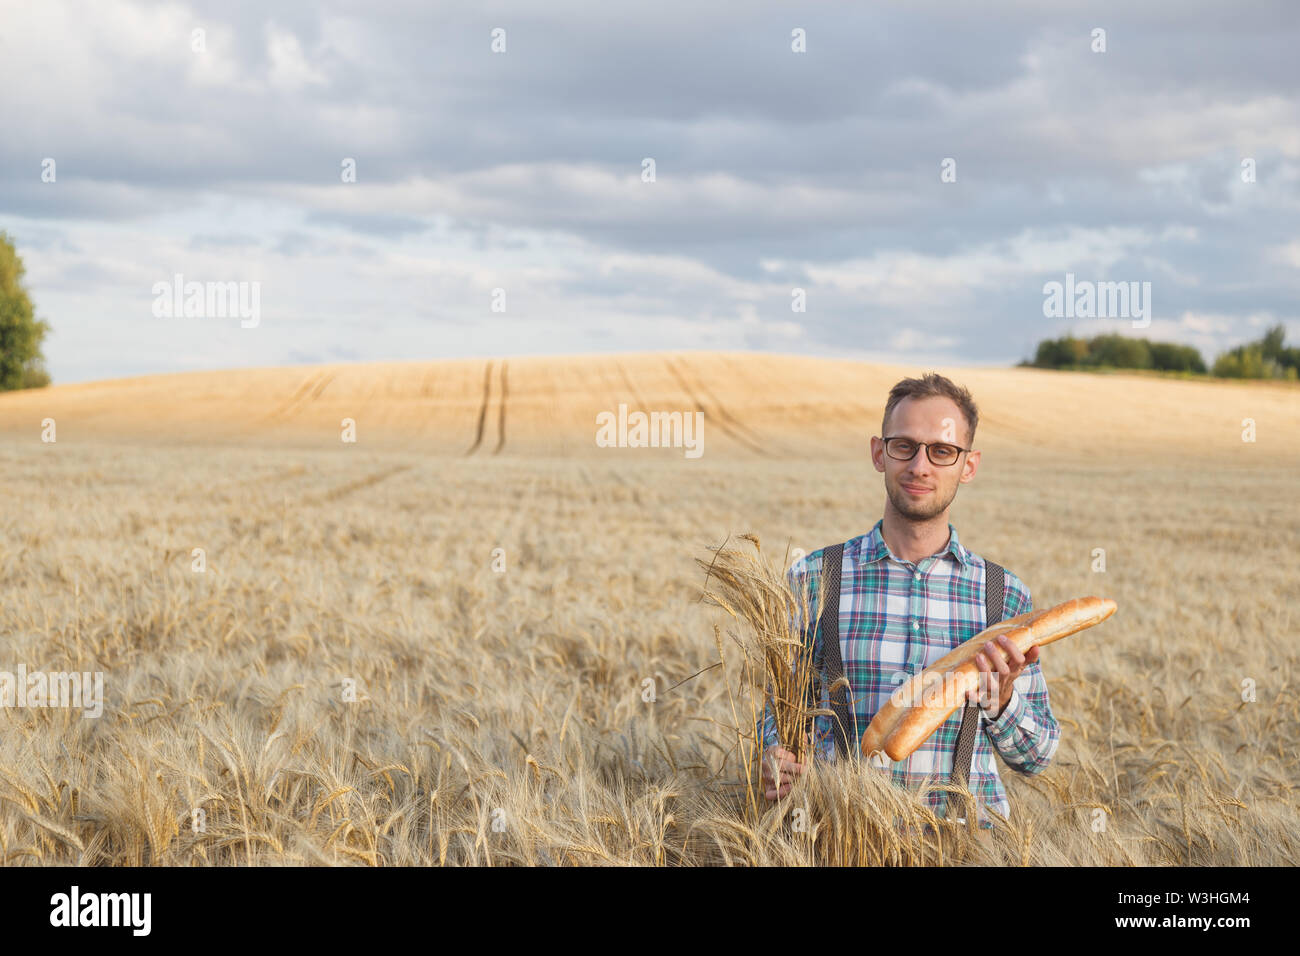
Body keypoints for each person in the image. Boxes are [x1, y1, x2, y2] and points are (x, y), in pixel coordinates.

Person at [757, 372, 1060, 829]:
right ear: (879, 453)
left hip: (965, 850)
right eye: (905, 446)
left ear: (969, 465)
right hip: (839, 844)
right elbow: (778, 716)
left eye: (942, 451)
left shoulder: (1004, 594)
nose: (920, 465)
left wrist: (1003, 701)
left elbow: (1036, 757)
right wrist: (772, 758)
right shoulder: (814, 579)